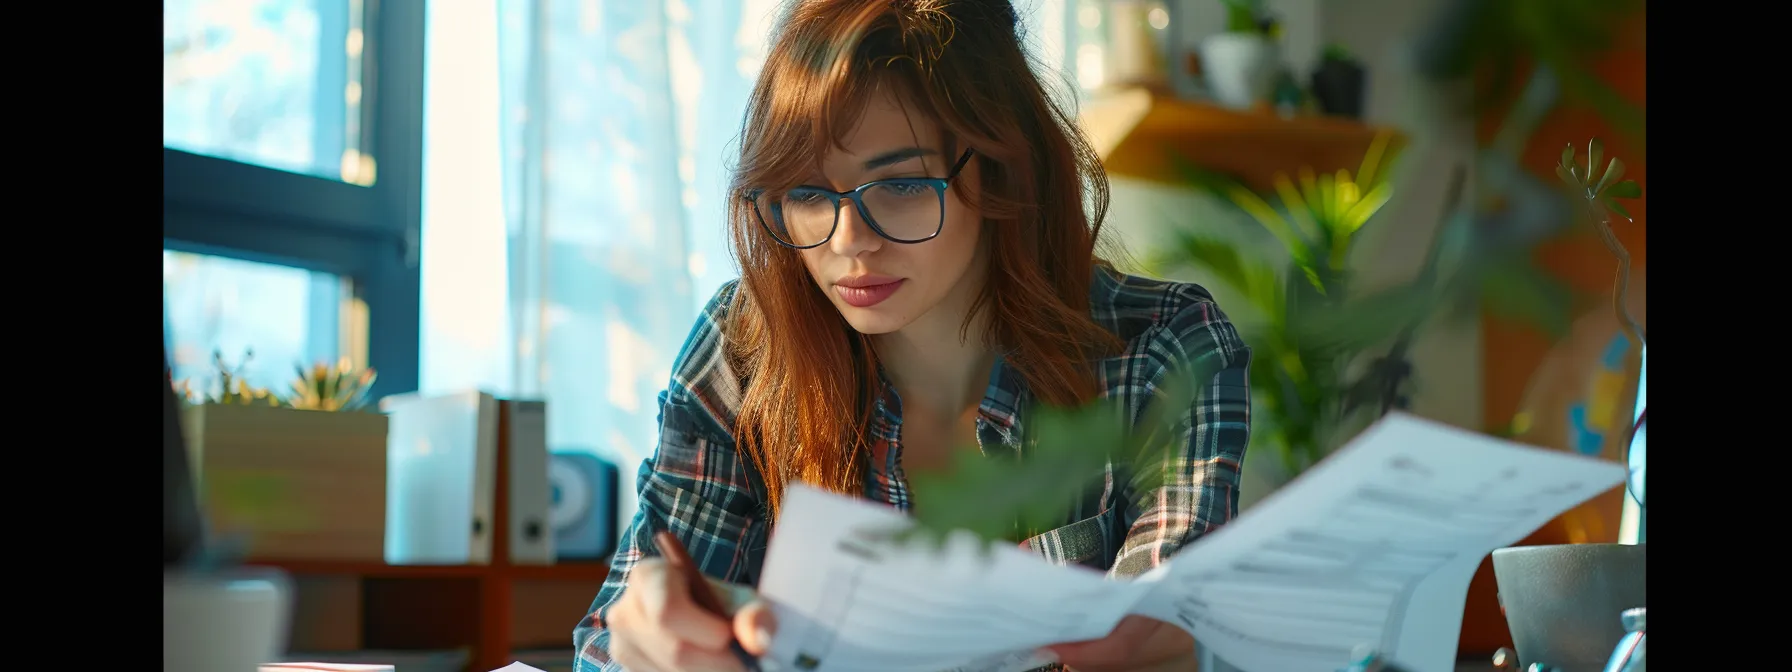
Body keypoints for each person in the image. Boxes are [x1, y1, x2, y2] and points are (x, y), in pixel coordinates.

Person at [575, 1, 1251, 670]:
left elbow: (1161, 635)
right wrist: (647, 642)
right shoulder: (743, 351)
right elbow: (611, 645)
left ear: (1000, 171)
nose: (849, 241)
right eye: (807, 194)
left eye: (898, 183)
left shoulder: (1163, 348)